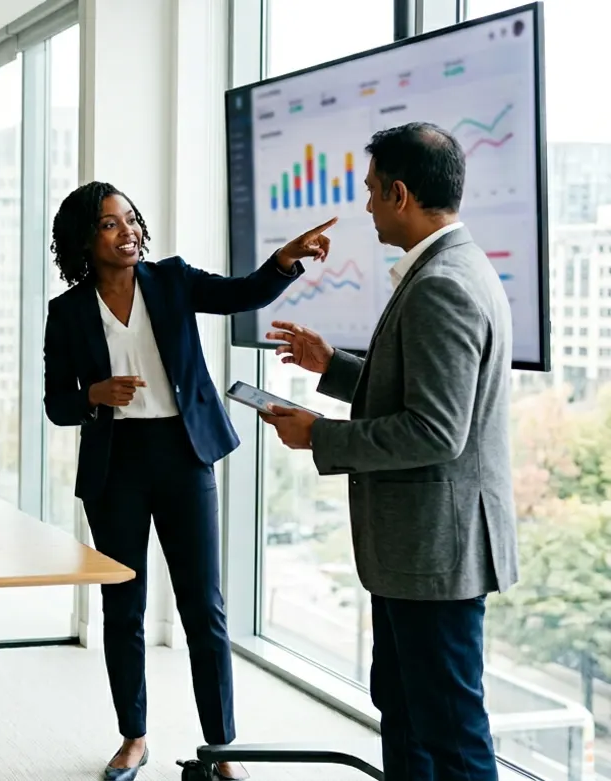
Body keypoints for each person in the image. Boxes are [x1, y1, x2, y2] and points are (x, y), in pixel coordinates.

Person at [43, 182, 334, 781]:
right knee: (122, 609)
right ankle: (133, 738)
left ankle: (224, 749)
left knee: (205, 609)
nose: (128, 231)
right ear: (84, 240)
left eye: (131, 220)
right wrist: (93, 395)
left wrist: (286, 261)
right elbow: (56, 404)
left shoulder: (172, 280)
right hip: (115, 464)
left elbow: (242, 294)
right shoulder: (67, 312)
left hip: (183, 454)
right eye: (109, 224)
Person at [263, 123, 517, 781]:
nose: (368, 207)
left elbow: (435, 431)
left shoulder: (443, 284)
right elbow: (417, 389)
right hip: (419, 552)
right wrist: (335, 366)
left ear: (401, 193)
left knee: (449, 734)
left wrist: (319, 433)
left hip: (434, 552)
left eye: (373, 193)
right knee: (409, 718)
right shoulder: (451, 267)